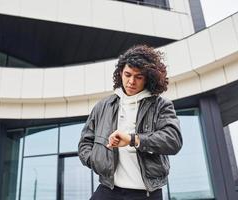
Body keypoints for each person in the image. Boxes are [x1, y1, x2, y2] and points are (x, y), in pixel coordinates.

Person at [78, 45, 182, 200]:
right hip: (109, 189)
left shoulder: (161, 105)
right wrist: (95, 160)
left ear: (148, 78)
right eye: (127, 74)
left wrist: (133, 139)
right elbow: (85, 143)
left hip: (146, 193)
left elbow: (173, 140)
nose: (131, 81)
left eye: (139, 77)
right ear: (120, 73)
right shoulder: (103, 106)